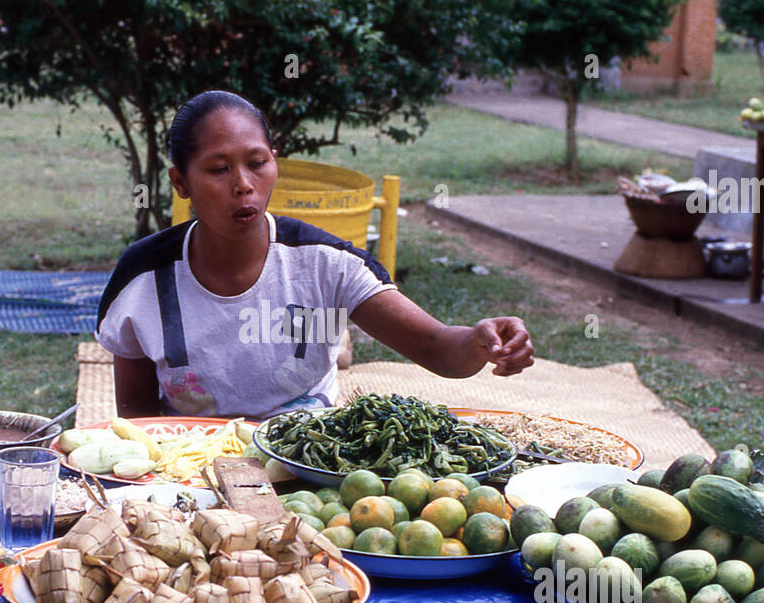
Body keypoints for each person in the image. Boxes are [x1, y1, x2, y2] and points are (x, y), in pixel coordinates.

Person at [95, 90, 534, 419]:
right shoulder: (143, 278)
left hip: (304, 470)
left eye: (257, 162)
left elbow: (435, 347)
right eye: (218, 169)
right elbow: (136, 421)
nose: (243, 184)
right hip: (186, 475)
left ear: (275, 163)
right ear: (181, 182)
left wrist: (481, 341)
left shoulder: (327, 264)